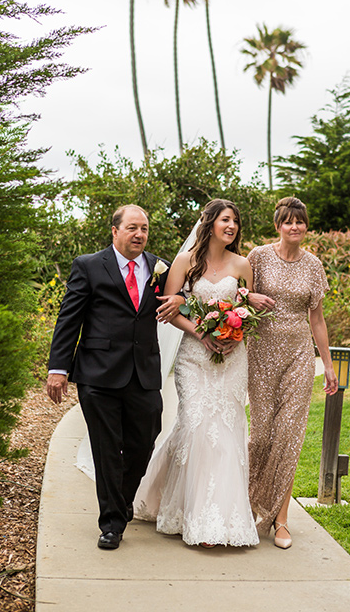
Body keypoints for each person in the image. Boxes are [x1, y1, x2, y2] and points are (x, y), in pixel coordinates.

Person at [47, 204, 182, 550]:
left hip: (144, 372)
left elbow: (185, 292)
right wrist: (58, 368)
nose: (140, 234)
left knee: (143, 442)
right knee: (107, 450)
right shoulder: (89, 266)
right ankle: (111, 523)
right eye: (133, 227)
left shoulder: (159, 267)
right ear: (115, 230)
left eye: (145, 229)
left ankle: (119, 505)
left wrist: (180, 296)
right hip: (98, 374)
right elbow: (69, 319)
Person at [133, 199, 259, 548]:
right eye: (224, 219)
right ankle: (188, 512)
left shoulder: (242, 264)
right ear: (210, 224)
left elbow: (246, 311)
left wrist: (235, 336)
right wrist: (202, 332)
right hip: (194, 356)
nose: (231, 226)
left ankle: (220, 518)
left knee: (227, 430)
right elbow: (169, 307)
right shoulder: (186, 261)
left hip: (232, 359)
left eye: (235, 220)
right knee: (196, 425)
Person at [247, 197, 338, 549]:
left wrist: (326, 365)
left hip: (299, 355)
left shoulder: (313, 265)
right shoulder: (258, 256)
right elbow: (240, 296)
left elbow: (317, 318)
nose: (295, 227)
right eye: (288, 222)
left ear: (306, 226)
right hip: (261, 353)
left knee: (289, 435)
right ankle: (252, 503)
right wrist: (249, 297)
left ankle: (280, 519)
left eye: (300, 222)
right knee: (262, 435)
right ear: (278, 225)